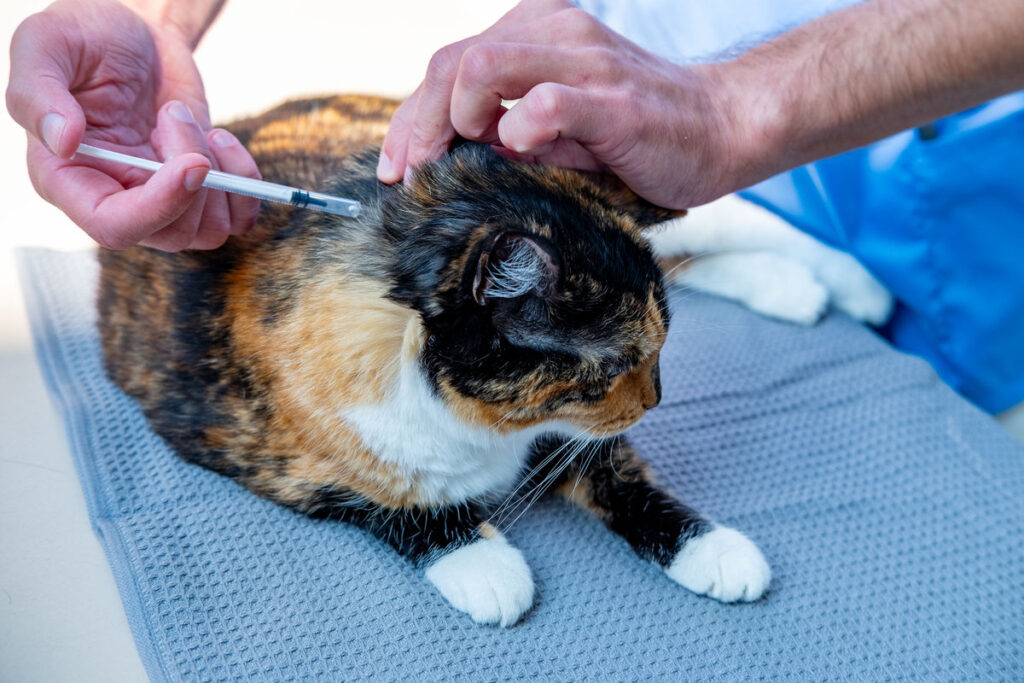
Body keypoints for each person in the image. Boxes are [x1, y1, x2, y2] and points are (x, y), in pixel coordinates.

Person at [7, 0, 1024, 414]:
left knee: (884, 383)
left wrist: (741, 104)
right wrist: (149, 25)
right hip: (629, 75)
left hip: (943, 125)